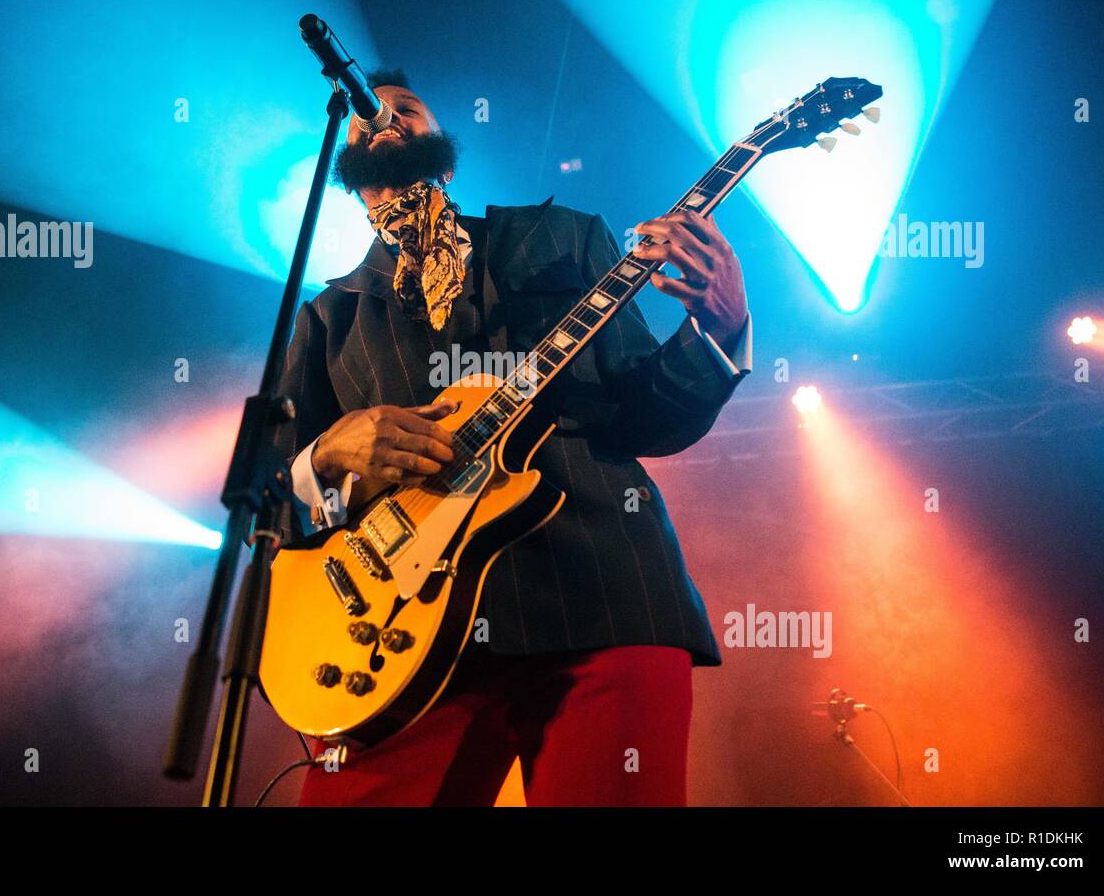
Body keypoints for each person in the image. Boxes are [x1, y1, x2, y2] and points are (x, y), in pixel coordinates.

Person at [273, 68, 752, 805]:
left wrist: (716, 328)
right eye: (369, 115)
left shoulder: (560, 240)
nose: (384, 118)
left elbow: (646, 417)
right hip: (400, 636)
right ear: (344, 165)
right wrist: (326, 455)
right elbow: (264, 501)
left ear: (446, 155)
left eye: (406, 108)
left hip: (598, 599)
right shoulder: (329, 319)